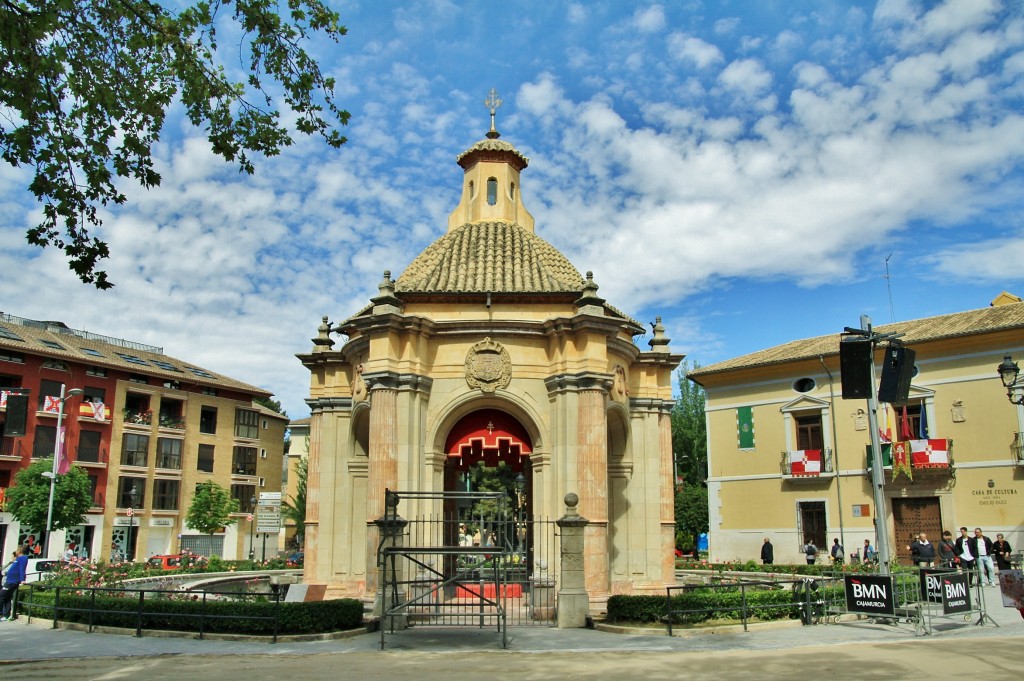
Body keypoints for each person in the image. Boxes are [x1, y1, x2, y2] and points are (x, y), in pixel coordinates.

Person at [0, 547, 28, 621]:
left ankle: (4, 614)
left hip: (12, 581)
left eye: (17, 550)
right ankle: (6, 615)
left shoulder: (23, 558)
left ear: (19, 551)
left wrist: (22, 579)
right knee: (7, 597)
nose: (16, 551)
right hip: (9, 580)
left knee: (1, 596)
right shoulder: (18, 559)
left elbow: (22, 569)